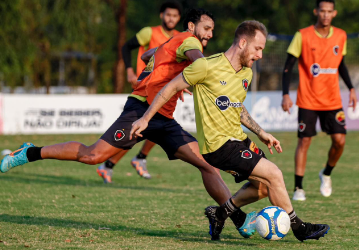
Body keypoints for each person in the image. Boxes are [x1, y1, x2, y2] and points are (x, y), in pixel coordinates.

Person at [0, 8, 257, 239]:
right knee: (92, 156)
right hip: (141, 110)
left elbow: (147, 55)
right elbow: (202, 63)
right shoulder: (189, 41)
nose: (210, 34)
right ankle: (28, 152)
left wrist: (165, 72)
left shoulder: (170, 42)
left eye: (212, 30)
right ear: (191, 27)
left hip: (163, 119)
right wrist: (199, 77)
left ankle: (237, 220)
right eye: (206, 28)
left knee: (207, 164)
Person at [130, 20, 330, 242]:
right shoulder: (206, 66)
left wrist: (261, 132)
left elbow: (238, 107)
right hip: (218, 146)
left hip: (239, 139)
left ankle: (220, 213)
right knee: (274, 174)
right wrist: (145, 118)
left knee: (263, 187)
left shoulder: (246, 74)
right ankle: (299, 228)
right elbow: (169, 88)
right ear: (243, 43)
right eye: (258, 48)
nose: (261, 55)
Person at [97, 0, 183, 182]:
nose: (171, 18)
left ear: (179, 18)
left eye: (175, 16)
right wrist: (129, 71)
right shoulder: (149, 32)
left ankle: (121, 162)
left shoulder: (178, 38)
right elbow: (126, 47)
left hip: (164, 90)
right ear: (162, 15)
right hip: (144, 88)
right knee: (143, 129)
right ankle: (128, 160)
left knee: (156, 126)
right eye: (168, 14)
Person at [281, 0, 357, 201]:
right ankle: (298, 188)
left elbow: (340, 64)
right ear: (316, 12)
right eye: (322, 11)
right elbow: (288, 65)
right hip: (307, 99)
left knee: (340, 141)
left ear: (334, 13)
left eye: (329, 11)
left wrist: (351, 88)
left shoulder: (341, 36)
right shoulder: (302, 35)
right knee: (304, 140)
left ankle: (326, 174)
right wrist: (285, 94)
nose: (325, 14)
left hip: (332, 100)